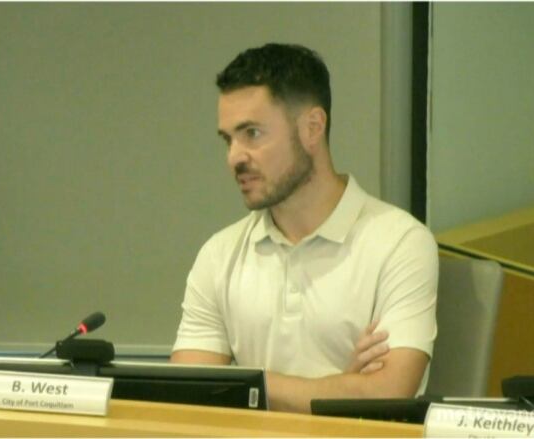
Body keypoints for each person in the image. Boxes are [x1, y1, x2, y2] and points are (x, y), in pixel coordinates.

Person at [171, 44, 438, 413]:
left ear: (313, 128)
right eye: (228, 139)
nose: (235, 157)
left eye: (252, 133)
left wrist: (247, 383)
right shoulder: (220, 254)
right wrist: (338, 390)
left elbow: (388, 393)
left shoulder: (400, 242)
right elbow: (189, 394)